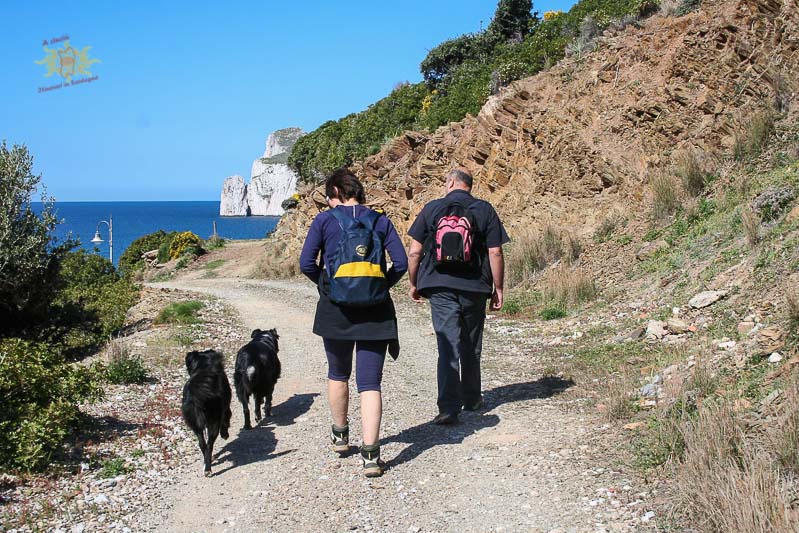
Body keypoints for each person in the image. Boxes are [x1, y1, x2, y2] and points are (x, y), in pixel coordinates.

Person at [299, 167, 408, 477]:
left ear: (335, 193)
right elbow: (400, 263)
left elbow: (306, 263)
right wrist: (380, 286)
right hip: (376, 310)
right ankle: (371, 455)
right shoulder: (380, 220)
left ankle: (340, 436)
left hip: (336, 310)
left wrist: (327, 287)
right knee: (370, 382)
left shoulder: (324, 221)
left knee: (338, 373)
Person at [407, 168, 509, 425]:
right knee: (471, 345)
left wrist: (414, 282)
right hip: (475, 286)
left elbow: (414, 252)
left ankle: (449, 408)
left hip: (439, 285)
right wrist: (499, 288)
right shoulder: (484, 209)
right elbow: (495, 252)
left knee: (447, 345)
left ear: (451, 182)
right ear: (469, 186)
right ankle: (473, 398)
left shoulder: (432, 208)